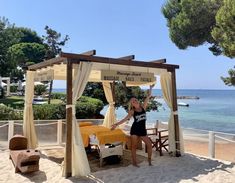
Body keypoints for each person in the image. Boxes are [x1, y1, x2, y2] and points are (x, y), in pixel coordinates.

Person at [111, 84, 154, 167]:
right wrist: (116, 124)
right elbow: (125, 119)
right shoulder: (132, 111)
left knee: (149, 145)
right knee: (134, 146)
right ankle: (134, 162)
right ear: (132, 104)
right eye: (133, 101)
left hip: (142, 130)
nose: (135, 101)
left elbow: (148, 97)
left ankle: (149, 161)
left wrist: (151, 88)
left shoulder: (143, 107)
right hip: (134, 130)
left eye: (135, 100)